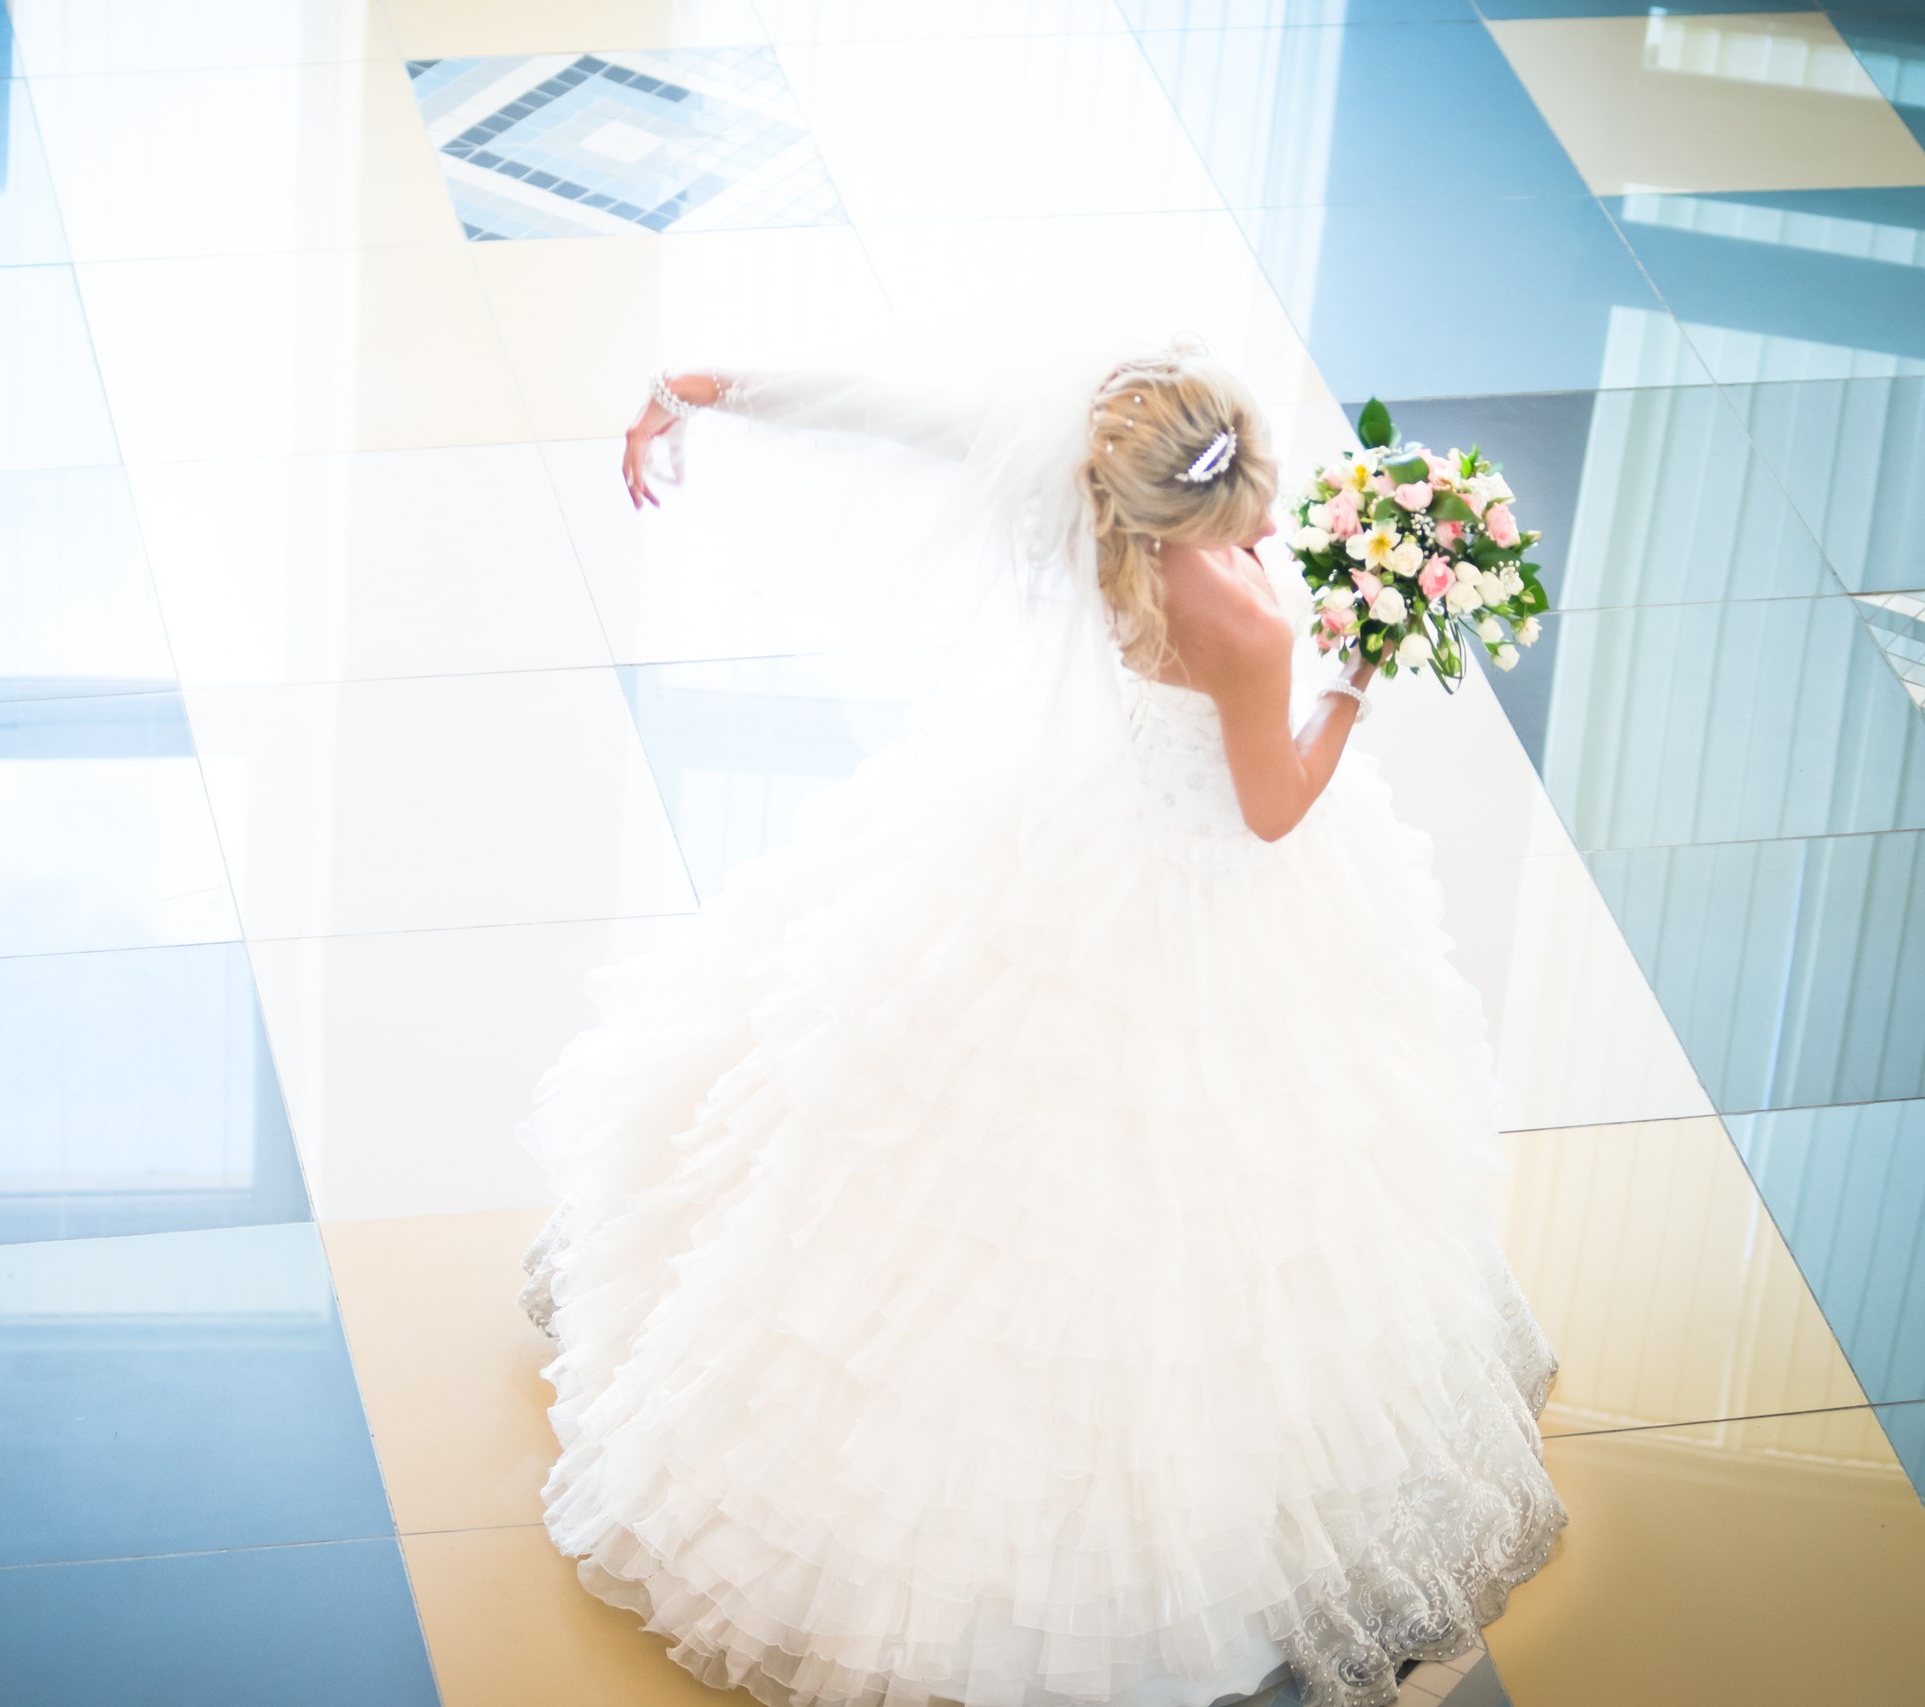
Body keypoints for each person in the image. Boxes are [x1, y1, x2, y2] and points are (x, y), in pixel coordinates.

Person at [516, 346, 1566, 1707]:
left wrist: (698, 389)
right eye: (1251, 502)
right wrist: (1357, 671)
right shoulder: (1248, 637)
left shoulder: (1088, 482)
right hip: (1196, 895)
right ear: (1197, 504)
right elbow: (1272, 809)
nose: (1273, 512)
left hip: (1065, 831)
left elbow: (897, 409)